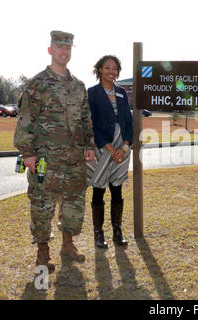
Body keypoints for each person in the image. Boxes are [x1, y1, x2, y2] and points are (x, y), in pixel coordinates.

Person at [14, 31, 95, 273]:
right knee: (42, 205)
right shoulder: (37, 84)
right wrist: (27, 152)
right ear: (50, 50)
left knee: (73, 203)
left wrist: (89, 145)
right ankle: (42, 253)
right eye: (60, 47)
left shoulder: (79, 85)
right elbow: (26, 118)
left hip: (74, 159)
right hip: (45, 160)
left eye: (68, 48)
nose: (65, 52)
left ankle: (67, 244)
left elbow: (85, 118)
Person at [86, 55, 133, 249]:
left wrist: (125, 146)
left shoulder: (122, 92)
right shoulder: (92, 93)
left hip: (121, 144)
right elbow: (92, 124)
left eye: (115, 68)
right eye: (107, 68)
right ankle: (98, 234)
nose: (111, 71)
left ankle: (117, 231)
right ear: (99, 70)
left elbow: (129, 121)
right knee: (99, 188)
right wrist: (110, 148)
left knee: (117, 188)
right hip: (102, 146)